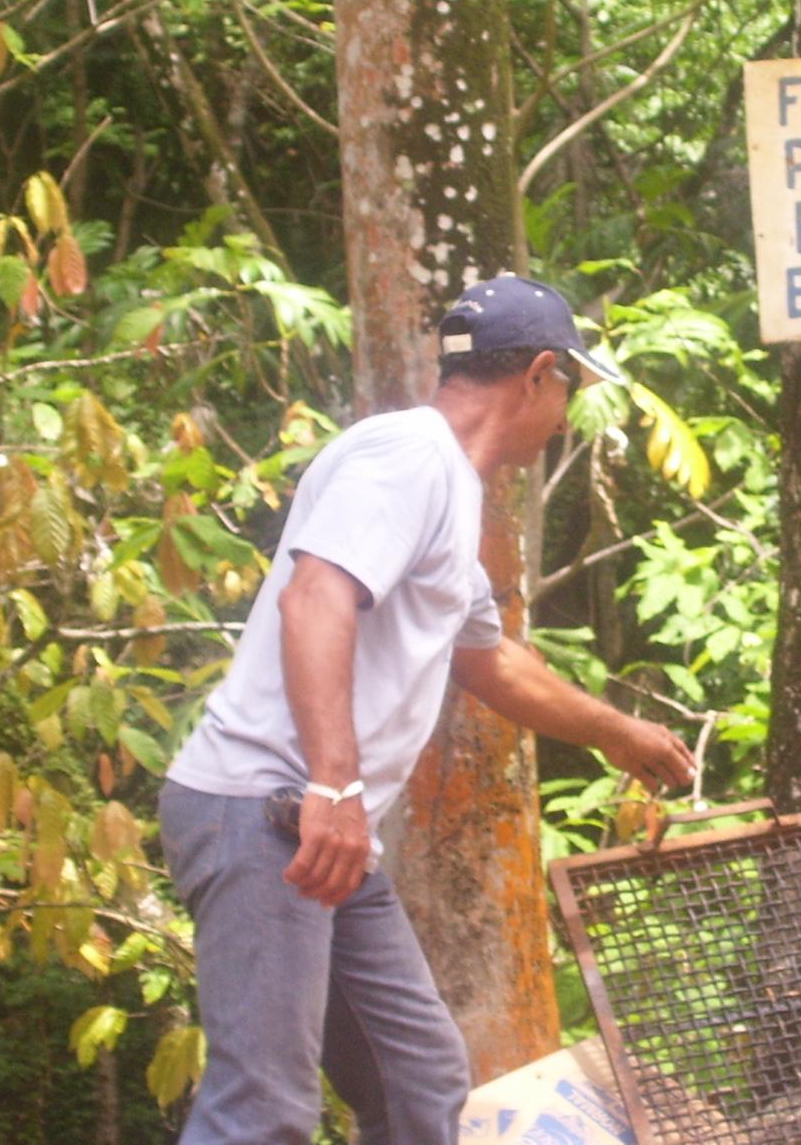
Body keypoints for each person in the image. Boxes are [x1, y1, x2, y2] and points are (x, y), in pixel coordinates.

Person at [158, 274, 697, 1144]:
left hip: (324, 826)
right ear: (539, 375)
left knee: (418, 1076)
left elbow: (487, 659)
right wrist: (333, 783)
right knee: (263, 1111)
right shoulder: (408, 455)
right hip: (269, 809)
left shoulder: (447, 485)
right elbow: (316, 597)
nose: (565, 417)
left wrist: (617, 730)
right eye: (569, 391)